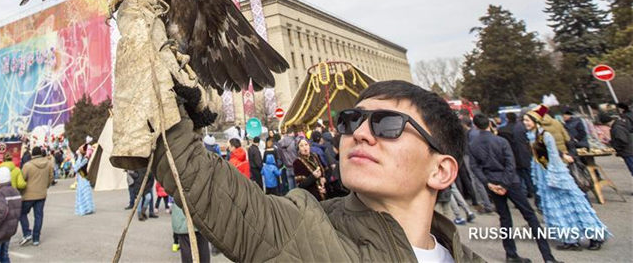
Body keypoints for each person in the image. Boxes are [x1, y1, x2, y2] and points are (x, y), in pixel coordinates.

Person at [150, 79, 482, 261]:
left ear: (441, 170)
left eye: (388, 125)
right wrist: (158, 86)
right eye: (352, 120)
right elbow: (195, 172)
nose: (360, 134)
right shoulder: (300, 231)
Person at [469, 114, 557, 263]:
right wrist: (504, 183)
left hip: (493, 183)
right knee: (530, 216)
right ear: (489, 124)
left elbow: (474, 167)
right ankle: (547, 256)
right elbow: (511, 164)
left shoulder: (473, 144)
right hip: (510, 182)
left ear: (475, 126)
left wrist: (488, 184)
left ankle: (511, 254)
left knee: (505, 218)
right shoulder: (501, 141)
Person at [524, 107, 608, 251]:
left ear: (536, 120)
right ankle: (570, 238)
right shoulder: (533, 135)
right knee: (559, 210)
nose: (525, 123)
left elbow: (553, 155)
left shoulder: (544, 135)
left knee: (574, 206)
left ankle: (594, 236)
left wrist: (556, 176)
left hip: (555, 175)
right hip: (545, 175)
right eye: (524, 120)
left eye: (527, 120)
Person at [19, 146, 53, 246]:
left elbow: (22, 179)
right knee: (39, 216)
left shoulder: (27, 165)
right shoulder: (48, 164)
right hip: (42, 194)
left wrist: (21, 190)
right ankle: (36, 238)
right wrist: (45, 186)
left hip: (28, 195)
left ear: (32, 154)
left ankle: (27, 232)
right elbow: (51, 178)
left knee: (22, 213)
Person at [601, 111, 633, 176]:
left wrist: (615, 147)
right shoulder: (620, 125)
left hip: (628, 152)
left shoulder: (616, 128)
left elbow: (622, 141)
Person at [73, 150, 95, 216]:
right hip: (82, 177)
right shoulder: (84, 159)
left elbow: (76, 168)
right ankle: (88, 208)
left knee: (85, 191)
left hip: (83, 177)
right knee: (84, 192)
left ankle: (86, 208)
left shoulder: (84, 160)